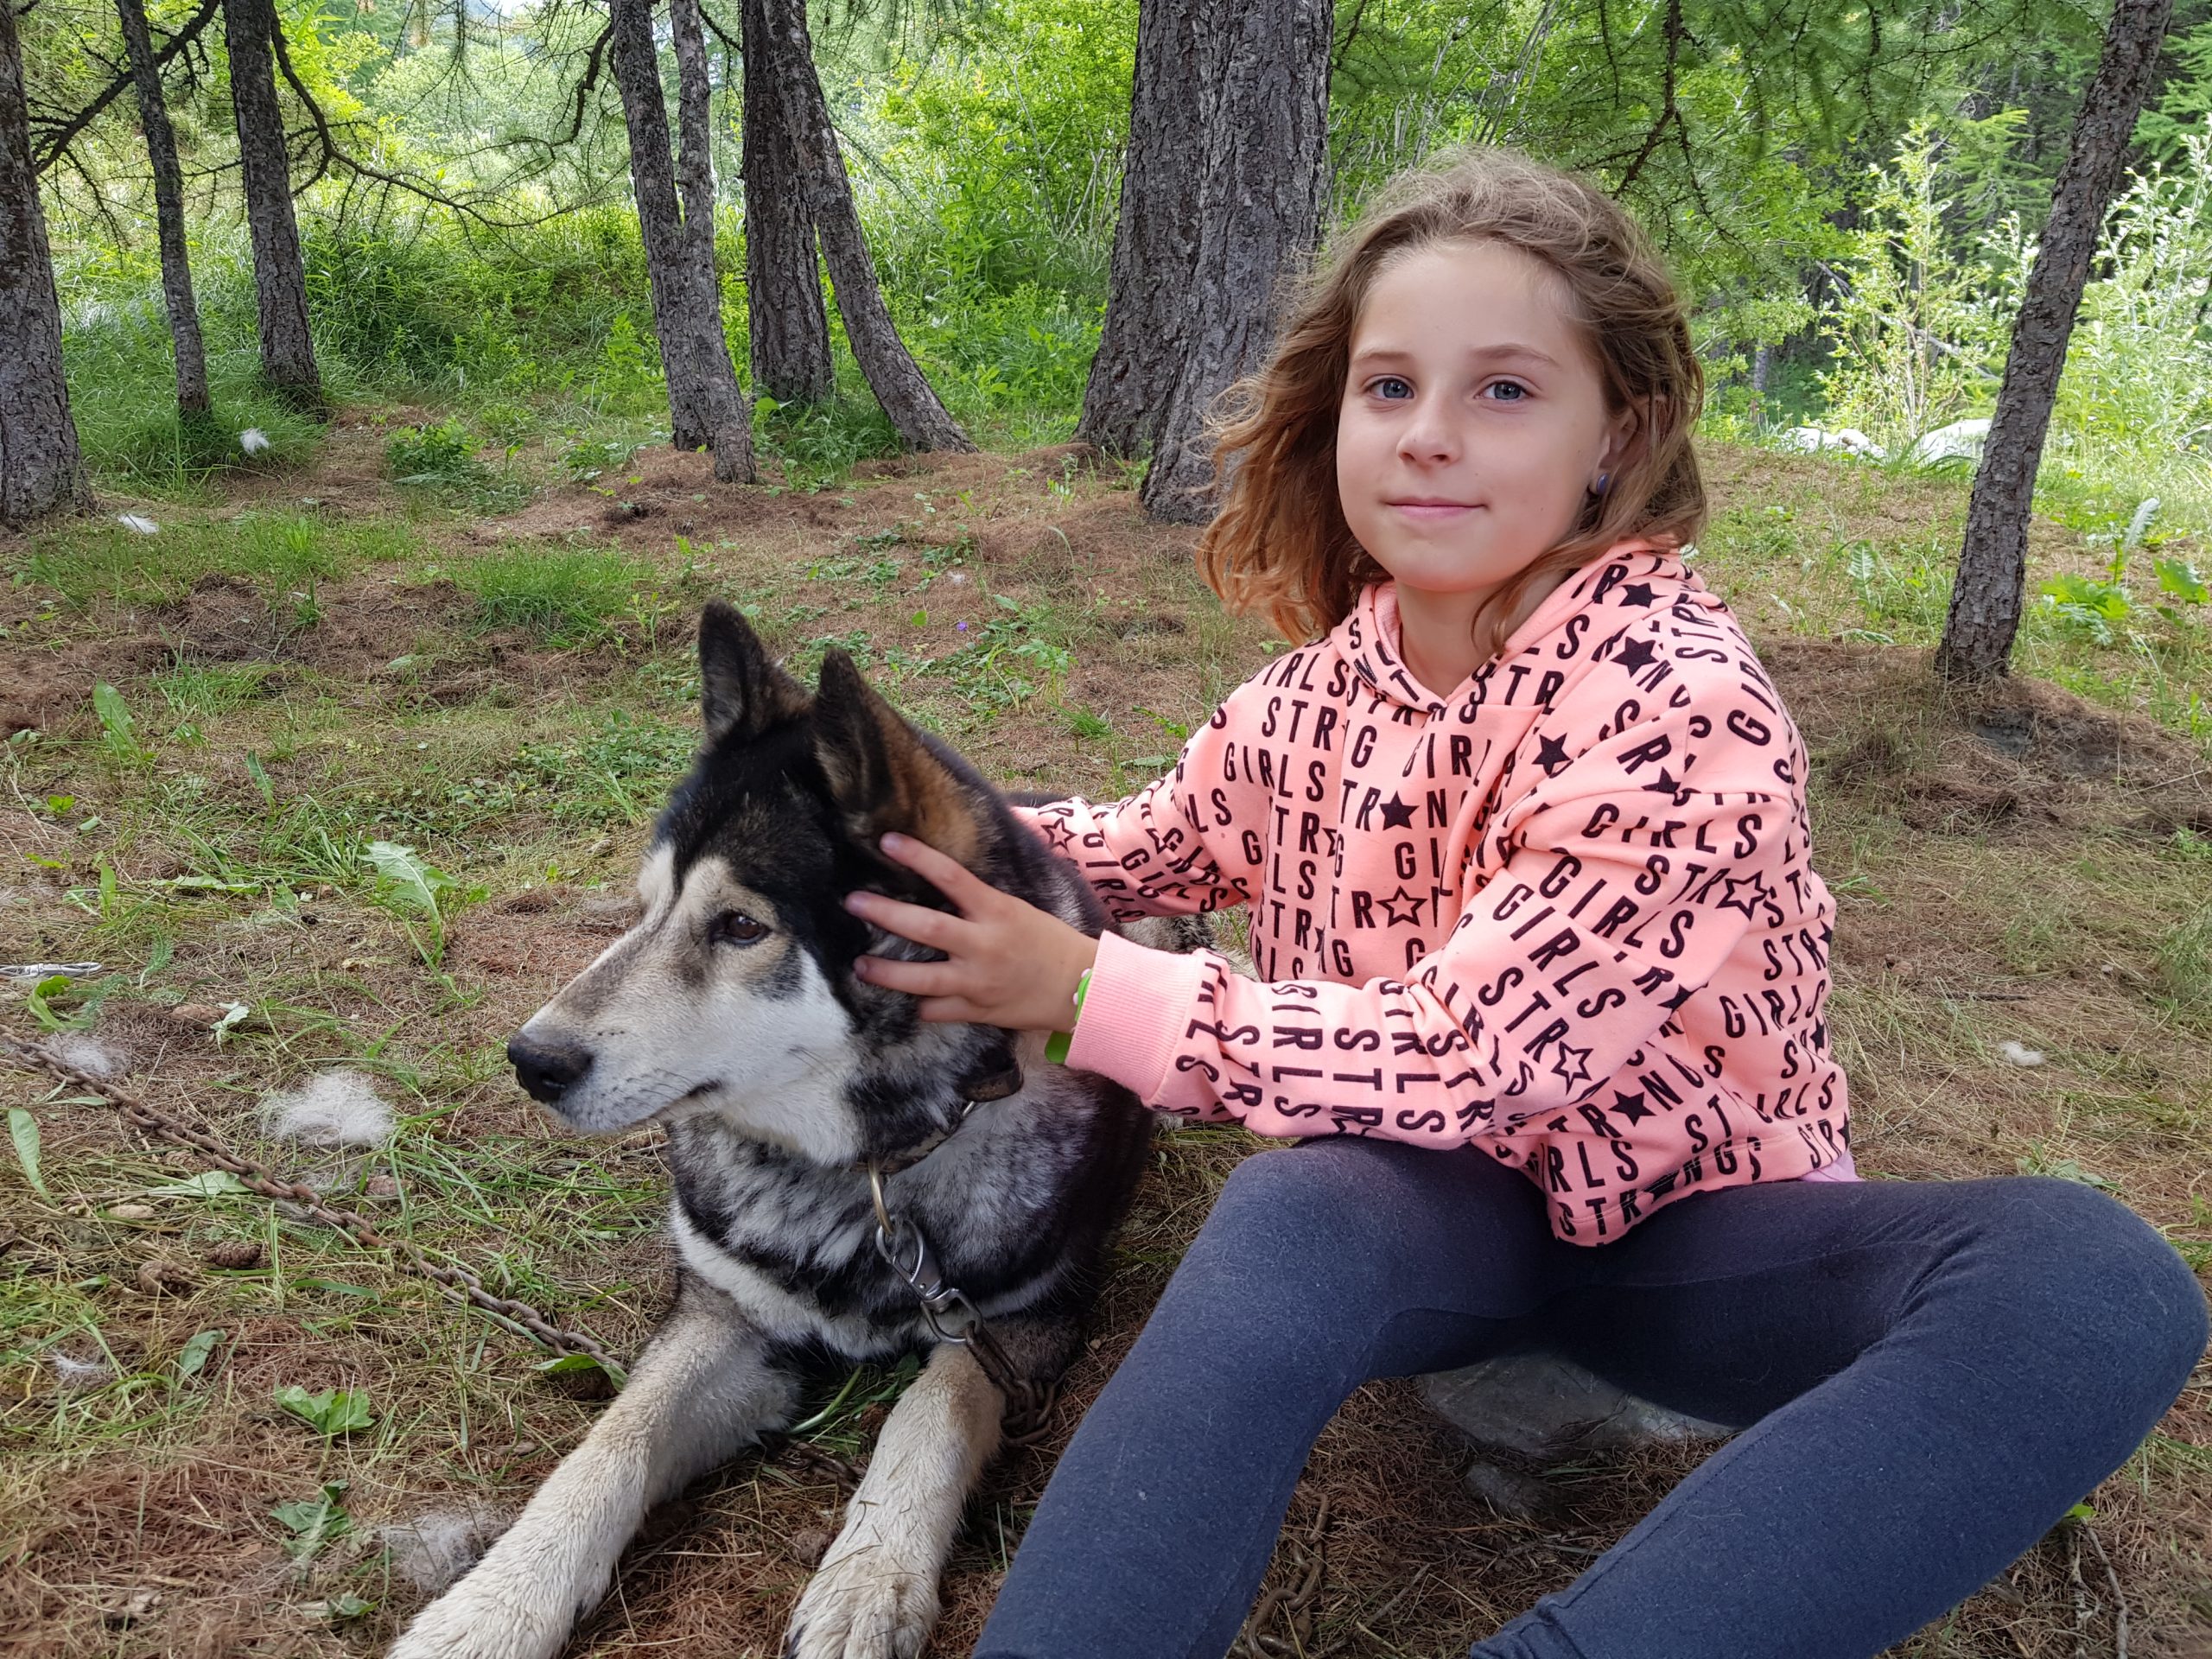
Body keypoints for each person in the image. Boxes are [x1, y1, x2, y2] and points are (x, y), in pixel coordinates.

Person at [842, 149, 2205, 1659]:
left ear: (1618, 434)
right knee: (1290, 1208)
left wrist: (1086, 989)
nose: (1429, 433)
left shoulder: (1678, 699)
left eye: (1503, 390)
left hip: (1694, 1243)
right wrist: (898, 848)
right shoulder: (1311, 698)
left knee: (2093, 1286)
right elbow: (1150, 844)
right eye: (1389, 386)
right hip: (1434, 1230)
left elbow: (1479, 1054)